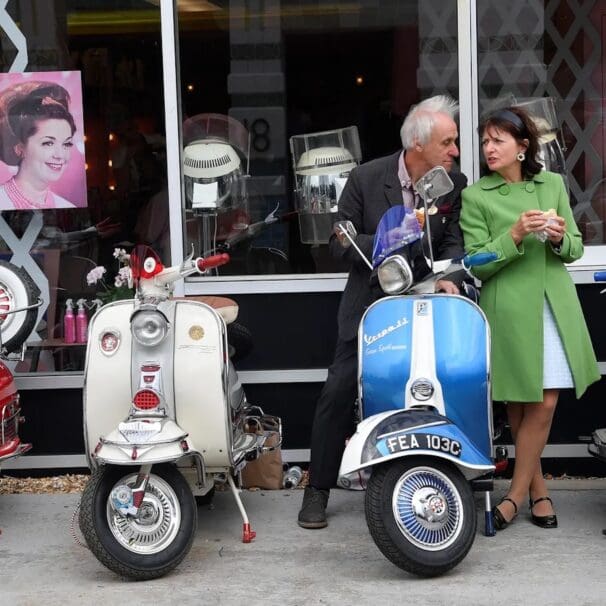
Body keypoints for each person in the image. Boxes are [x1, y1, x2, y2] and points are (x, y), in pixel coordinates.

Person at [298, 94, 468, 529]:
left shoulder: (454, 183)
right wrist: (393, 234)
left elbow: (453, 242)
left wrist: (452, 276)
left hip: (429, 306)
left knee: (450, 381)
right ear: (417, 145)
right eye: (448, 142)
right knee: (338, 390)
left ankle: (453, 476)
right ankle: (317, 489)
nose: (455, 151)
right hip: (370, 307)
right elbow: (340, 241)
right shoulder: (366, 178)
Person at [459, 106, 600, 530]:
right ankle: (538, 492)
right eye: (485, 141)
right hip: (508, 308)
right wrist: (515, 235)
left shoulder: (553, 184)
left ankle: (515, 497)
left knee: (545, 399)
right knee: (520, 403)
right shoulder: (476, 195)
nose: (488, 148)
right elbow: (476, 262)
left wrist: (559, 238)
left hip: (552, 303)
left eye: (497, 140)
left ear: (523, 148)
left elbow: (576, 247)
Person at [0, 81, 78, 209]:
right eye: (48, 143)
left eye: (66, 144)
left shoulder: (66, 206)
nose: (60, 155)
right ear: (20, 148)